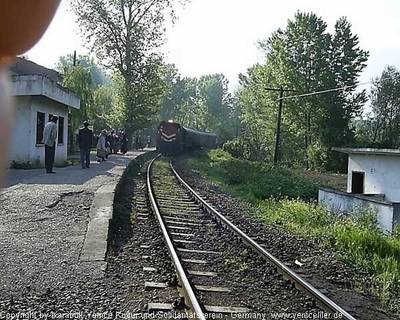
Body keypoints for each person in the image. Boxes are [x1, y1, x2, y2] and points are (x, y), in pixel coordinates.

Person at [0, 1, 60, 187]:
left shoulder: (47, 123)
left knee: (48, 158)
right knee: (50, 157)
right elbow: (52, 136)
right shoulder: (54, 125)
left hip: (44, 141)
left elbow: (43, 132)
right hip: (49, 143)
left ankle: (48, 169)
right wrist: (50, 142)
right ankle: (49, 170)